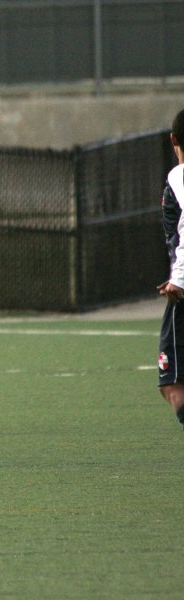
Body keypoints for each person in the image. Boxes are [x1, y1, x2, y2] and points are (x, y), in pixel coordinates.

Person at [156, 108, 184, 429]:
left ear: (174, 140)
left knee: (173, 385)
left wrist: (179, 277)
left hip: (182, 294)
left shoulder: (179, 176)